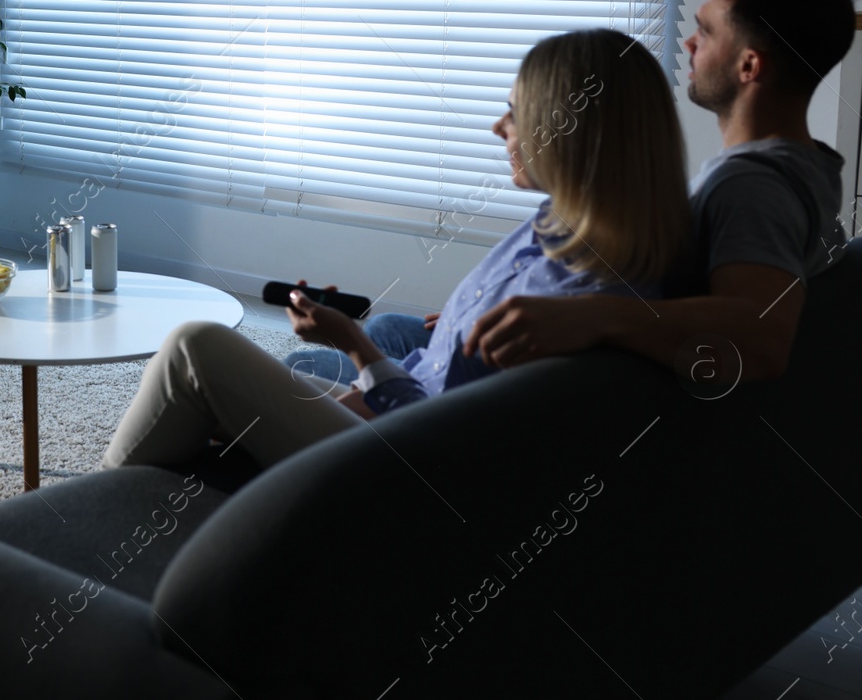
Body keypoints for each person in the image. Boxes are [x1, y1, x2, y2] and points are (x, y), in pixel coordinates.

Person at [102, 27, 691, 470]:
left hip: (394, 461)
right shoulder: (559, 234)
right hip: (389, 409)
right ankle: (146, 497)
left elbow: (438, 436)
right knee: (224, 395)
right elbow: (445, 382)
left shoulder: (562, 303)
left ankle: (97, 517)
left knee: (195, 347)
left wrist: (354, 344)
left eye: (514, 113)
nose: (497, 128)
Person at [461, 0, 854, 381]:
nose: (688, 43)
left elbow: (760, 342)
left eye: (706, 31)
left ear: (749, 66)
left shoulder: (749, 188)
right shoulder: (810, 169)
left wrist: (587, 314)